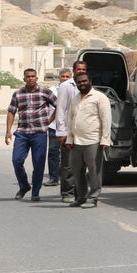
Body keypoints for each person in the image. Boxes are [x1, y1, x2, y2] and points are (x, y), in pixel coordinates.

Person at [4, 68, 57, 201]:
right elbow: (11, 111)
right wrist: (8, 131)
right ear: (24, 79)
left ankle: (35, 192)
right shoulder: (18, 94)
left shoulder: (45, 92)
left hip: (39, 133)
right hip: (22, 133)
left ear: (37, 78)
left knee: (38, 163)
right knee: (17, 160)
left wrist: (49, 121)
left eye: (33, 76)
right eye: (28, 76)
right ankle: (24, 186)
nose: (31, 78)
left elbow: (59, 106)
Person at [65, 72, 111, 209]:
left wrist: (105, 140)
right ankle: (81, 197)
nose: (82, 84)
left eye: (84, 81)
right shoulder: (75, 99)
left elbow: (106, 119)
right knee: (76, 170)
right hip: (76, 141)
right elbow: (71, 119)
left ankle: (93, 197)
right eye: (79, 82)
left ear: (90, 81)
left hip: (93, 140)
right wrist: (69, 138)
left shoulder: (100, 97)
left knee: (94, 171)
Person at [54, 60, 86, 203]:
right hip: (69, 131)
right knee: (68, 164)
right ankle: (67, 192)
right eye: (78, 69)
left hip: (84, 132)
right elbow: (60, 109)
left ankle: (80, 193)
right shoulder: (66, 86)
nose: (80, 71)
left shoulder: (87, 85)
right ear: (74, 70)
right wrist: (61, 132)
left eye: (83, 69)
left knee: (82, 164)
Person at [45, 68, 72, 187]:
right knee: (53, 152)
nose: (65, 79)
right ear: (59, 78)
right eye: (63, 76)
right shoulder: (51, 91)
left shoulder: (74, 90)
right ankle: (53, 178)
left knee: (69, 154)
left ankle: (67, 178)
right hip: (53, 126)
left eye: (67, 76)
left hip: (69, 127)